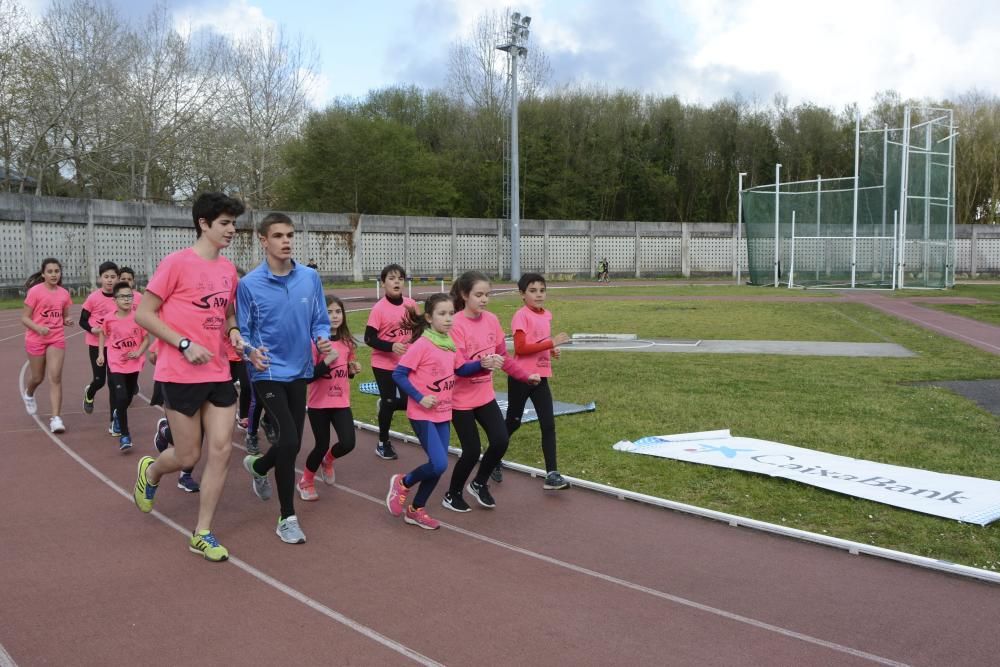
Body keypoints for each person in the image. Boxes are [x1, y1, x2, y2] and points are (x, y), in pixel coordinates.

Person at [132, 191, 251, 562]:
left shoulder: (228, 269)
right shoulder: (176, 263)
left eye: (234, 223)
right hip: (180, 371)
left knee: (221, 450)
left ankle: (202, 533)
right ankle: (152, 471)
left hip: (217, 371)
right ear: (204, 224)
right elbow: (145, 314)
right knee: (187, 456)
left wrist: (232, 331)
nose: (232, 230)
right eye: (225, 223)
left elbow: (227, 311)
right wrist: (183, 343)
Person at [238, 212, 332, 545]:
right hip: (266, 371)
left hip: (300, 370)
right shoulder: (249, 284)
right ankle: (286, 517)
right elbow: (242, 331)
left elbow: (320, 319)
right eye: (278, 235)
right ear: (263, 240)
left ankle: (260, 466)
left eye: (290, 234)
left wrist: (322, 338)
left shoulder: (309, 278)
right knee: (290, 441)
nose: (286, 241)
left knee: (291, 440)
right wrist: (249, 351)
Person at [384, 293, 496, 530]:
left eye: (450, 314)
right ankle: (403, 483)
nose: (448, 319)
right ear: (428, 317)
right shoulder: (422, 345)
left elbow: (462, 369)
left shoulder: (450, 344)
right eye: (441, 314)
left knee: (438, 464)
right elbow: (398, 374)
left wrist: (482, 364)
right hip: (422, 413)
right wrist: (420, 397)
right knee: (438, 464)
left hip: (444, 413)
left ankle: (416, 510)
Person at [441, 271, 540, 512]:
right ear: (464, 295)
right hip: (461, 400)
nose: (484, 299)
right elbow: (460, 368)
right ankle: (452, 494)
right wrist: (483, 364)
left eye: (487, 294)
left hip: (484, 396)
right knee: (472, 450)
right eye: (478, 295)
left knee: (500, 440)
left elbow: (503, 357)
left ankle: (478, 483)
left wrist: (525, 376)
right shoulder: (455, 325)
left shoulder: (492, 320)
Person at [504, 273, 573, 490]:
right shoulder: (521, 316)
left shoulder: (546, 315)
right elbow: (521, 348)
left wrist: (552, 350)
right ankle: (492, 458)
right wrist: (551, 342)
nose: (539, 295)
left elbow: (539, 342)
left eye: (542, 290)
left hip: (541, 377)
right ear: (522, 295)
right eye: (533, 291)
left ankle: (552, 474)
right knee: (513, 422)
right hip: (521, 377)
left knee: (548, 424)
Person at [297, 295, 360, 501]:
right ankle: (306, 480)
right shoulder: (315, 343)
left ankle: (328, 460)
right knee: (321, 444)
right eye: (329, 312)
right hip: (319, 404)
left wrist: (353, 370)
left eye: (338, 311)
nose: (334, 316)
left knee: (348, 443)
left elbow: (346, 370)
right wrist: (327, 361)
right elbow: (307, 377)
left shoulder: (347, 343)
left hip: (341, 402)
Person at [365, 263, 416, 460]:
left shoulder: (411, 305)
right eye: (392, 278)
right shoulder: (379, 309)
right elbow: (370, 338)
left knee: (408, 401)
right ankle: (382, 442)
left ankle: (386, 405)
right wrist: (391, 346)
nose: (396, 282)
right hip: (383, 363)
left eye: (400, 279)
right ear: (383, 283)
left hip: (406, 363)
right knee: (389, 399)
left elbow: (419, 331)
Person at [20, 258, 73, 433]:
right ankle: (29, 393)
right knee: (37, 377)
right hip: (36, 339)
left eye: (56, 271)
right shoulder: (35, 292)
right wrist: (38, 328)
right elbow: (25, 318)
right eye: (50, 271)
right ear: (43, 274)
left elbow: (64, 315)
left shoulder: (64, 293)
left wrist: (67, 320)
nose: (53, 274)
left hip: (56, 338)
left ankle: (56, 418)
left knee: (55, 377)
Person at [96, 281, 150, 451]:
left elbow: (146, 339)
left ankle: (118, 414)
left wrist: (139, 352)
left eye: (129, 296)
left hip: (134, 363)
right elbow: (103, 335)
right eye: (122, 297)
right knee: (120, 397)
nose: (127, 300)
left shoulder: (138, 318)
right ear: (115, 300)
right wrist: (100, 354)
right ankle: (125, 436)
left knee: (128, 395)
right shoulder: (109, 319)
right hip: (116, 363)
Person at [148, 340, 201, 493]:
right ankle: (164, 431)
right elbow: (153, 355)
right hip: (174, 384)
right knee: (185, 439)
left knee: (199, 435)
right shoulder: (172, 329)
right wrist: (158, 356)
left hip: (204, 383)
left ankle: (185, 476)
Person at [80, 261, 119, 432]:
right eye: (106, 277)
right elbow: (82, 320)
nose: (109, 280)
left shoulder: (120, 298)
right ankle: (90, 392)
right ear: (100, 278)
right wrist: (93, 329)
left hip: (114, 346)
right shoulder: (93, 298)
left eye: (113, 277)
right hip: (96, 344)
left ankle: (113, 422)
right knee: (99, 380)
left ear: (117, 278)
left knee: (113, 383)